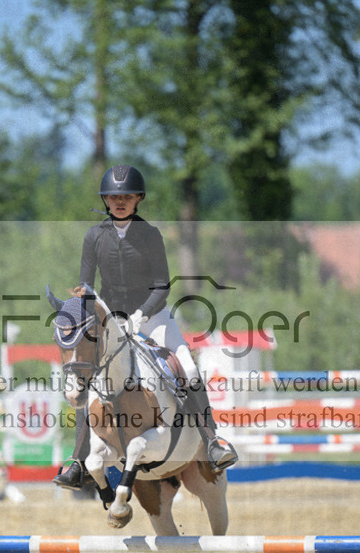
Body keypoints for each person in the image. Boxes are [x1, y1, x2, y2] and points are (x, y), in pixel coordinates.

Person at [53, 164, 238, 490]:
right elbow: (85, 281)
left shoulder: (150, 235)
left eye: (126, 196)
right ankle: (77, 461)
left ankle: (212, 442)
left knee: (190, 370)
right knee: (88, 380)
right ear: (105, 200)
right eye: (113, 197)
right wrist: (92, 305)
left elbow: (162, 285)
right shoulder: (94, 236)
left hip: (152, 316)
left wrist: (139, 316)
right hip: (110, 318)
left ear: (138, 198)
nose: (119, 201)